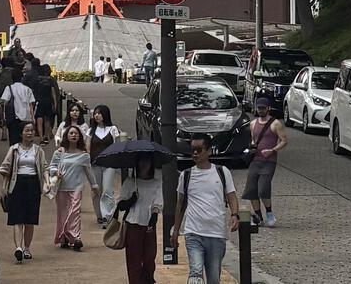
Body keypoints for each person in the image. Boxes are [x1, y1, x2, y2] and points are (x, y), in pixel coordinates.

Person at [171, 135, 238, 284]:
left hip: (216, 233)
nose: (195, 153)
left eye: (199, 150)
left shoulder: (222, 172)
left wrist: (234, 214)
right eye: (193, 150)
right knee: (195, 272)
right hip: (193, 232)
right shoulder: (186, 175)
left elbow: (231, 195)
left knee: (213, 278)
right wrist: (175, 230)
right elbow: (180, 204)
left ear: (209, 151)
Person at [0, 121, 46, 263]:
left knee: (30, 219)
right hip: (17, 183)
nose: (30, 133)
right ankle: (18, 248)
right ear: (21, 133)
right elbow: (6, 168)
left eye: (32, 130)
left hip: (33, 184)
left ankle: (27, 248)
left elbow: (44, 167)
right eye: (27, 130)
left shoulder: (38, 150)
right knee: (17, 218)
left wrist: (47, 182)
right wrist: (4, 187)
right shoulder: (14, 149)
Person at [241, 94, 287, 227]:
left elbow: (284, 140)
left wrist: (273, 150)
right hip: (255, 160)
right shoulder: (253, 124)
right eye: (258, 108)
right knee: (251, 189)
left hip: (269, 161)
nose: (260, 110)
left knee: (263, 189)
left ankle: (269, 212)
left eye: (263, 108)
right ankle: (258, 216)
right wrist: (251, 147)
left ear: (268, 108)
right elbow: (252, 140)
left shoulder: (276, 124)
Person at [49, 124, 96, 250]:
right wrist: (55, 172)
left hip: (76, 187)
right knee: (63, 213)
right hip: (62, 187)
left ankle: (76, 238)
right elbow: (51, 167)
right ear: (67, 136)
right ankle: (64, 237)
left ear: (80, 137)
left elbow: (89, 172)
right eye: (71, 133)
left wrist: (94, 186)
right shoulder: (59, 153)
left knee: (74, 212)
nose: (74, 135)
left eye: (76, 134)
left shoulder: (84, 155)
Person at [119, 155, 163, 284]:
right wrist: (131, 200)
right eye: (141, 162)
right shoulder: (130, 182)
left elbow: (158, 203)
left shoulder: (156, 183)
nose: (144, 165)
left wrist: (154, 216)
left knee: (149, 258)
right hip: (133, 224)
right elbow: (121, 205)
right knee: (134, 259)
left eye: (147, 161)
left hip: (148, 225)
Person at [87, 103, 123, 225]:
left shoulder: (112, 129)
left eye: (99, 113)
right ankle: (99, 214)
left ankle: (107, 215)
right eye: (95, 113)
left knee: (107, 189)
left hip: (109, 163)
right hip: (95, 164)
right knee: (96, 190)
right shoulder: (90, 131)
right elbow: (88, 148)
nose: (97, 116)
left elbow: (117, 145)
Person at [2, 73, 37, 147]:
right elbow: (31, 104)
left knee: (13, 139)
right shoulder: (27, 89)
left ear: (12, 79)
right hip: (26, 118)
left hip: (13, 118)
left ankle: (14, 155)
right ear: (22, 79)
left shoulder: (8, 88)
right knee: (25, 139)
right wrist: (32, 117)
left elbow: (5, 102)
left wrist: (4, 115)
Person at [35, 63, 60, 143]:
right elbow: (53, 92)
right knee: (47, 119)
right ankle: (46, 135)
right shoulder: (51, 79)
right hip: (48, 101)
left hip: (39, 101)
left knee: (39, 119)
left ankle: (41, 137)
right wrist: (55, 103)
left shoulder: (38, 79)